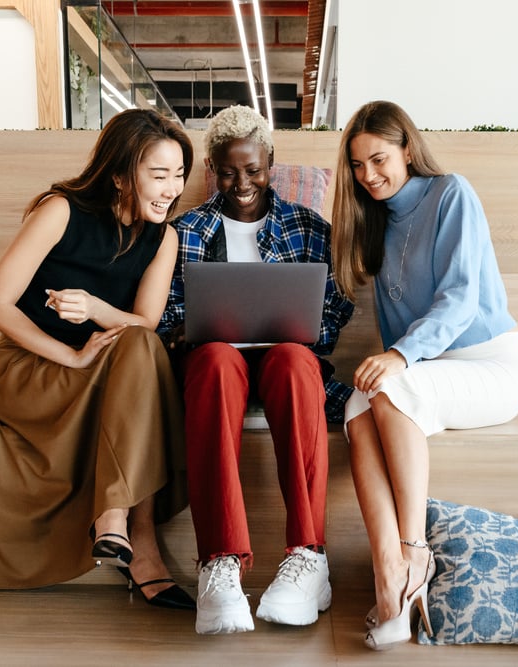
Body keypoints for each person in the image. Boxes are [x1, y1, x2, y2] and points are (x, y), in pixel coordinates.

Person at [0, 109, 195, 611]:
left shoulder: (165, 238)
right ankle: (139, 540)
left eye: (178, 176)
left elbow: (144, 322)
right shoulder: (60, 211)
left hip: (106, 369)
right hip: (33, 367)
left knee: (142, 346)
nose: (171, 190)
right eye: (158, 175)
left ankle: (117, 520)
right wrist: (70, 355)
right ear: (119, 174)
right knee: (141, 356)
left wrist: (94, 310)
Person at [332, 100, 518, 650]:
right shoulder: (376, 220)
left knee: (390, 387)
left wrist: (399, 356)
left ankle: (415, 552)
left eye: (379, 159)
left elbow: (462, 299)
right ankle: (387, 571)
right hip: (434, 372)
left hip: (492, 364)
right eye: (357, 165)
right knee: (355, 405)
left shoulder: (451, 193)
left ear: (406, 150)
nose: (368, 176)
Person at [157, 105, 354, 634]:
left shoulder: (309, 226)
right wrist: (184, 327)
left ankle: (310, 557)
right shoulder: (187, 231)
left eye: (253, 169)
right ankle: (220, 563)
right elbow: (167, 309)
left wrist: (307, 328)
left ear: (271, 161)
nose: (240, 182)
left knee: (295, 360)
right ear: (211, 169)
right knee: (217, 359)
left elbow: (334, 306)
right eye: (226, 170)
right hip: (216, 361)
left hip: (287, 358)